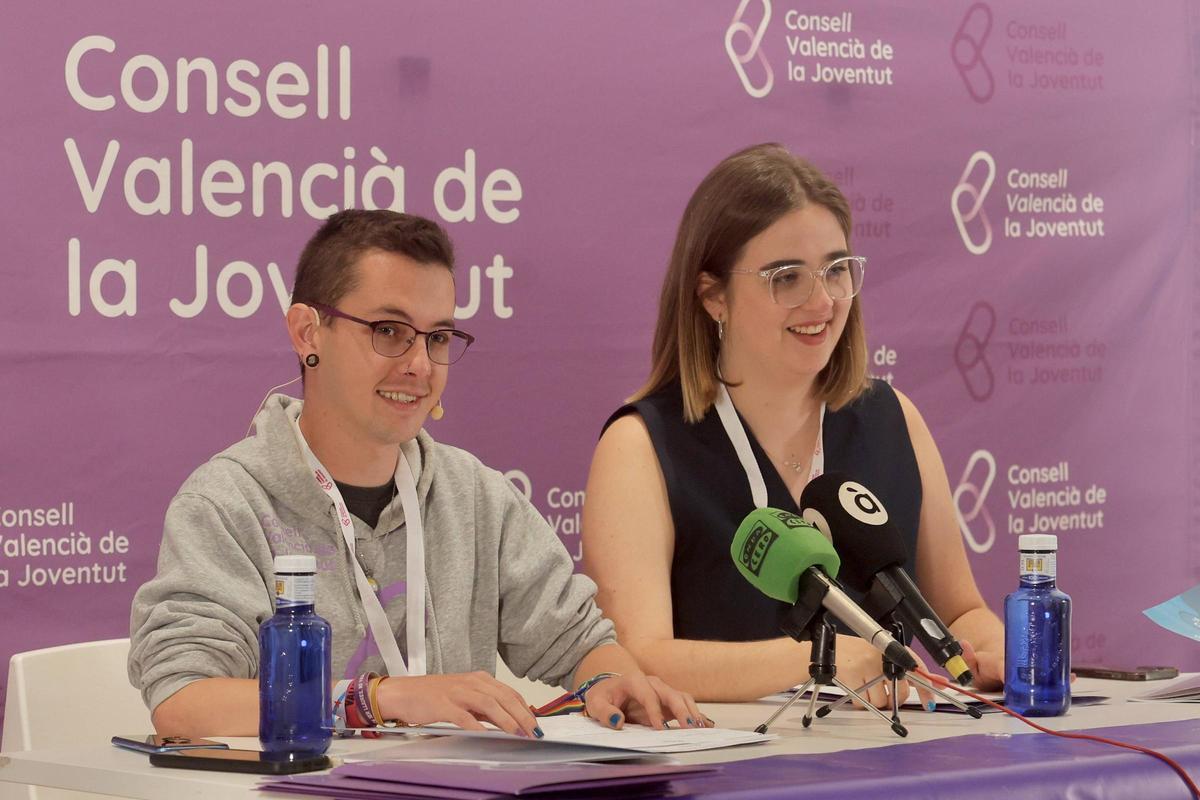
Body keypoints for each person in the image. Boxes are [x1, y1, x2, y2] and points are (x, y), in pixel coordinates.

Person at [129, 209, 705, 738]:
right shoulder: (228, 504)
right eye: (388, 330)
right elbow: (185, 700)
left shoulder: (477, 496)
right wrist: (381, 699)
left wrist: (611, 680)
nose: (420, 365)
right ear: (308, 333)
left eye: (436, 337)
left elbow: (579, 641)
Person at [581, 144, 1005, 707]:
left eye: (836, 271)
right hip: (726, 772)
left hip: (896, 762)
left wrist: (999, 650)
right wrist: (824, 661)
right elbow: (638, 657)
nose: (823, 302)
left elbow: (959, 610)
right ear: (712, 295)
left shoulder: (892, 417)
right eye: (787, 277)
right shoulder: (640, 446)